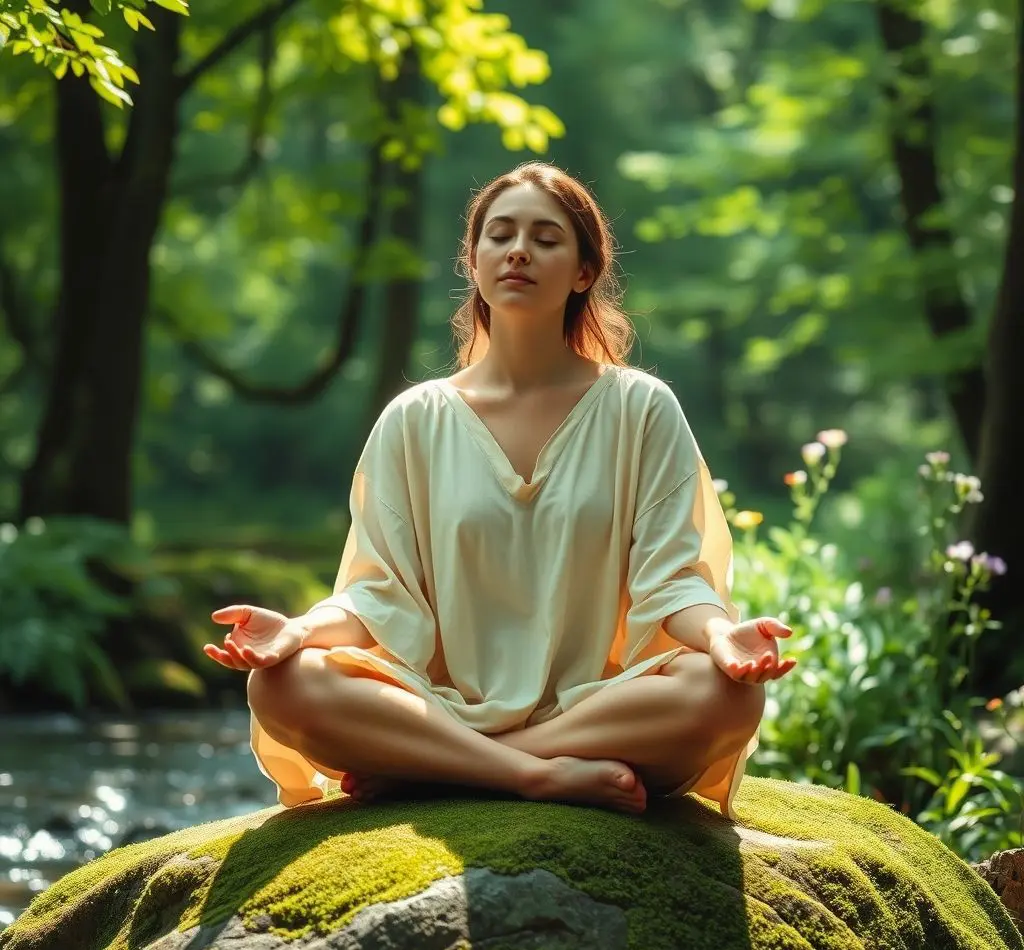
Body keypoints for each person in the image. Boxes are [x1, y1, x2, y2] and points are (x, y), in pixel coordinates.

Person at [203, 161, 797, 819]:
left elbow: (673, 583)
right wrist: (297, 631)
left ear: (583, 271)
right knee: (282, 687)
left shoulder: (640, 409)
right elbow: (378, 595)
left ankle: (439, 768)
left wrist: (721, 637)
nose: (519, 250)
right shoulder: (416, 419)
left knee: (727, 697)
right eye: (500, 234)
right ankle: (531, 775)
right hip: (442, 706)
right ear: (474, 261)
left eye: (546, 238)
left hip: (593, 709)